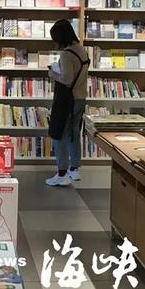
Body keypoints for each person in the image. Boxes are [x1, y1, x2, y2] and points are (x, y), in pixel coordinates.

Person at [45, 19, 90, 187]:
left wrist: (52, 73)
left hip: (66, 100)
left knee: (59, 134)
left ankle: (61, 173)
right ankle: (74, 169)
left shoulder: (66, 54)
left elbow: (66, 79)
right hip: (80, 98)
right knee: (74, 133)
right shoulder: (81, 50)